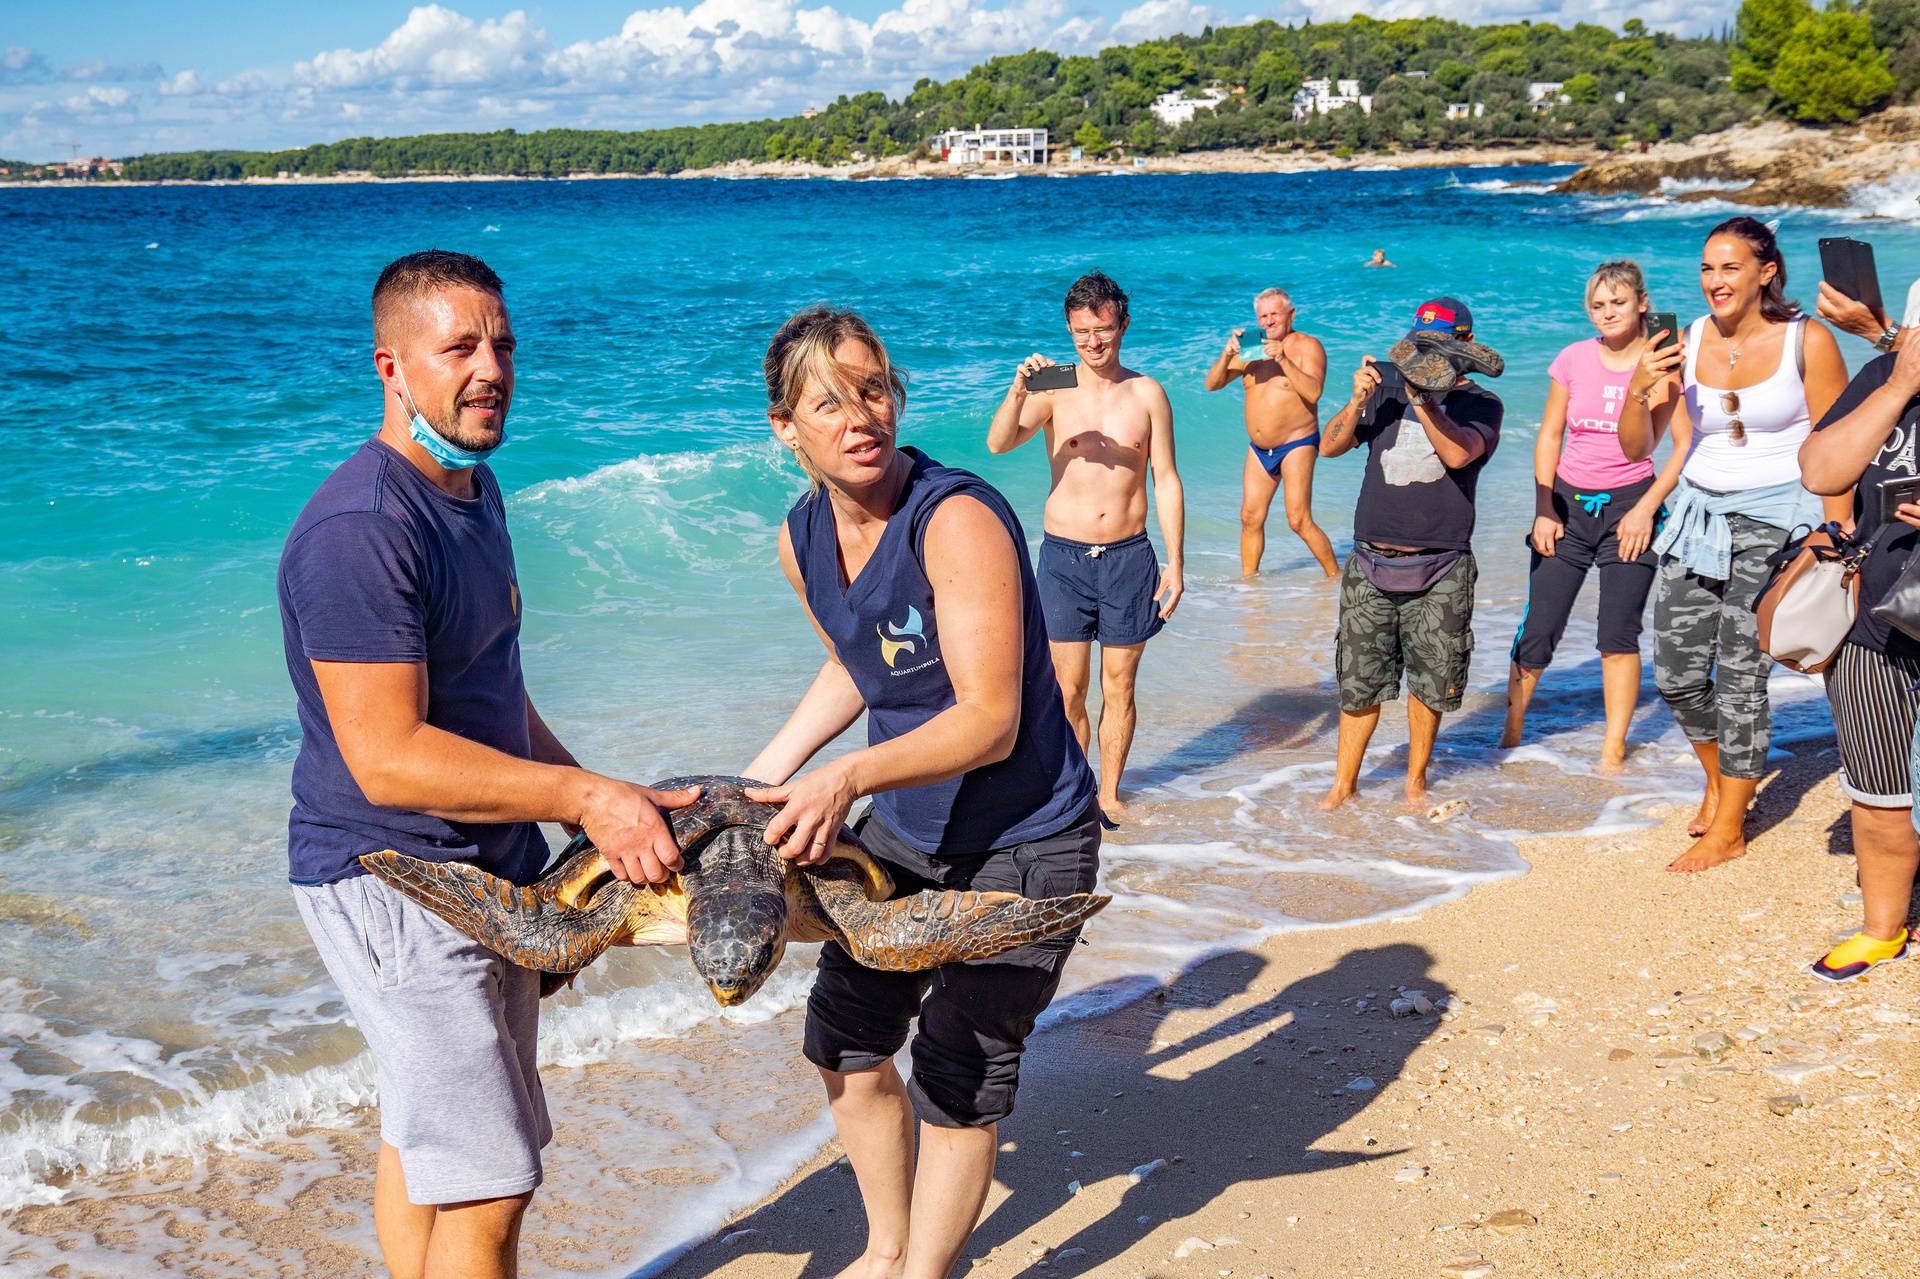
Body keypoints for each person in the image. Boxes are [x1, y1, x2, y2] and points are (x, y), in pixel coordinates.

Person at [277, 250, 697, 1279]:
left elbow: (492, 696)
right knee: (488, 1177)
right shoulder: (363, 528)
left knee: (430, 1141)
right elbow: (387, 757)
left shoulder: (473, 490)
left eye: (502, 343)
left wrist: (598, 804)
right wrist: (584, 796)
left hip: (485, 869)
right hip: (394, 876)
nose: (491, 366)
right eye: (458, 345)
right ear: (391, 364)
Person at [744, 306, 1101, 1279]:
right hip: (902, 835)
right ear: (787, 427)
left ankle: (927, 1273)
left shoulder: (958, 517)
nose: (861, 415)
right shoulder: (802, 538)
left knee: (959, 1067)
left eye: (873, 390)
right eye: (829, 401)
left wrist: (845, 774)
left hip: (1024, 837)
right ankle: (889, 1246)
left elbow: (987, 717)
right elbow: (862, 667)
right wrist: (758, 779)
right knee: (846, 1042)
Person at [1617, 216, 1851, 873]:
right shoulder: (1683, 341)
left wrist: (1838, 535)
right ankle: (1723, 783)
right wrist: (1641, 385)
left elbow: (1835, 445)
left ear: (1766, 272)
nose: (1714, 281)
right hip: (1699, 515)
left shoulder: (1810, 342)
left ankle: (1729, 827)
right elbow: (1636, 445)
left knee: (1741, 671)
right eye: (1706, 269)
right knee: (1678, 674)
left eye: (1729, 268)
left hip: (1781, 516)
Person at [987, 270, 1185, 817]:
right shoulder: (1054, 383)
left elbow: (1165, 478)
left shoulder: (1147, 393)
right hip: (1064, 560)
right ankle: (1073, 799)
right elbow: (999, 443)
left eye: (1102, 330)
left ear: (1123, 324)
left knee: (1119, 686)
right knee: (1067, 691)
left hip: (1129, 557)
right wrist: (1018, 388)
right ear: (1069, 331)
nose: (1093, 343)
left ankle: (1110, 794)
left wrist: (1176, 562)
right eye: (1081, 333)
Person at [1316, 297, 1504, 810]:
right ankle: (1343, 786)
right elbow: (1329, 447)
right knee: (1359, 683)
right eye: (1419, 346)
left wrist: (1425, 399)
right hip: (1370, 559)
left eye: (1436, 346)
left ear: (1465, 344)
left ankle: (1415, 782)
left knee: (1431, 681)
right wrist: (1356, 400)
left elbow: (1460, 452)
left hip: (1443, 562)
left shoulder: (1483, 404)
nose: (1424, 356)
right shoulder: (1382, 390)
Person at [1501, 261, 1685, 770]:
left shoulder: (1665, 362)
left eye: (1618, 302)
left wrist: (1646, 511)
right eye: (1597, 305)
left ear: (1642, 303)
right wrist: (1543, 508)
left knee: (1617, 633)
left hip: (1631, 509)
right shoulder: (1573, 358)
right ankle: (1510, 733)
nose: (1606, 313)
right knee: (1540, 627)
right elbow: (1550, 435)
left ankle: (1612, 749)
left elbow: (1681, 447)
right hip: (1566, 508)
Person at [1799, 331, 1920, 979]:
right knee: (1878, 789)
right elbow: (1821, 470)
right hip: (1875, 619)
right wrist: (1899, 384)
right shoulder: (1884, 374)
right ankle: (1883, 928)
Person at [1203, 287, 1340, 578]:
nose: (1268, 321)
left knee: (1298, 520)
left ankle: (1335, 578)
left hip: (1297, 443)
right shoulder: (1251, 349)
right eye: (1262, 316)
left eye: (1274, 314)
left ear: (1290, 314)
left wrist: (1282, 359)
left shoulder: (1307, 346)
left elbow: (1313, 393)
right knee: (1249, 518)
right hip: (1259, 448)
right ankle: (1249, 584)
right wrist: (1227, 352)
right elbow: (1212, 384)